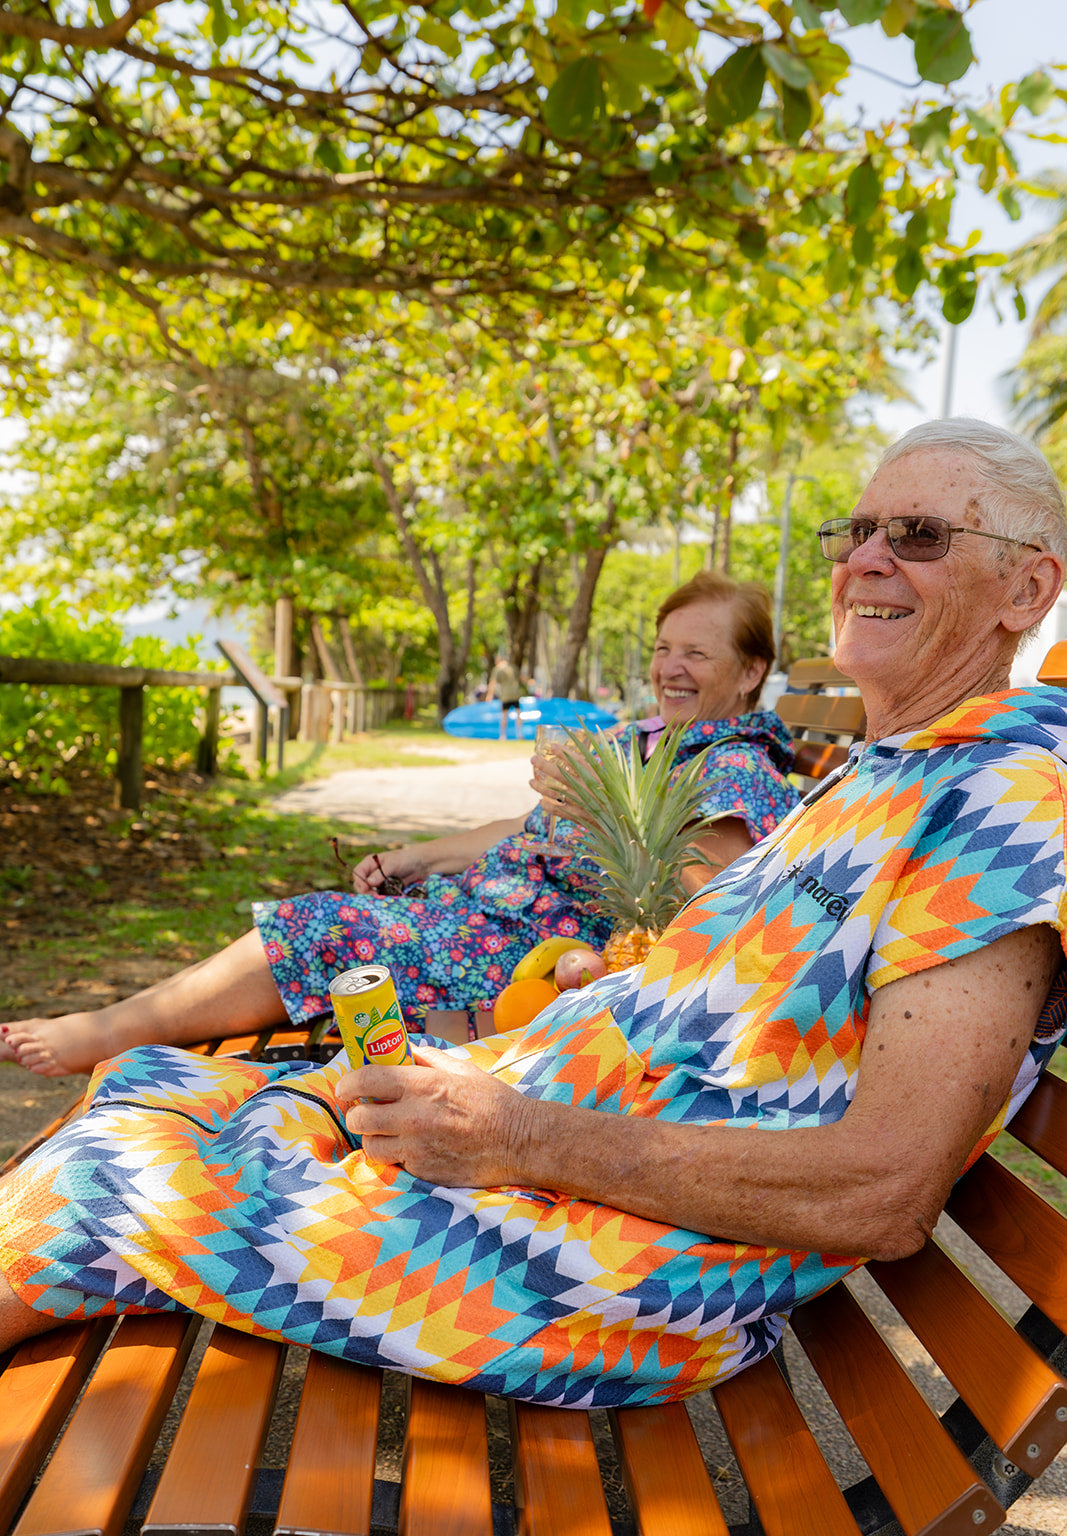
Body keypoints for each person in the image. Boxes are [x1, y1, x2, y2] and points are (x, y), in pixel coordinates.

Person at [3, 418, 1066, 1408]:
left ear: (1026, 588)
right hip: (555, 1155)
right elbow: (767, 1005)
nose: (865, 557)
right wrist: (608, 984)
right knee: (154, 1090)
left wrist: (520, 1135)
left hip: (603, 1265)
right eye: (860, 529)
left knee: (108, 1179)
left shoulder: (1003, 800)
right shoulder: (891, 772)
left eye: (918, 534)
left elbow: (880, 1186)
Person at [0, 572, 796, 1077]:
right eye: (663, 648)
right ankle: (118, 1028)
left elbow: (708, 900)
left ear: (750, 671)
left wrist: (596, 809)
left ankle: (104, 1033)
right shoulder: (642, 741)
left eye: (695, 653)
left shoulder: (732, 765)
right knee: (341, 920)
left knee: (323, 926)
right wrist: (414, 854)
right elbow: (519, 831)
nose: (669, 668)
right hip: (477, 917)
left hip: (533, 967)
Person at [486, 654, 526, 740]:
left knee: (504, 715)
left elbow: (493, 683)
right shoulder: (513, 667)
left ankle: (503, 736)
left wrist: (489, 695)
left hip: (506, 695)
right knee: (518, 714)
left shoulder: (497, 669)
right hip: (515, 693)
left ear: (497, 662)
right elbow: (521, 679)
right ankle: (520, 734)